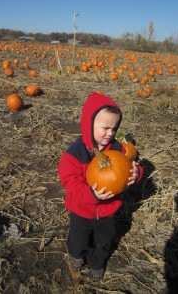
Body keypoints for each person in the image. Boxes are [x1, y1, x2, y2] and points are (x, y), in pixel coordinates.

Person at [58, 92, 144, 281]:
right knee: (78, 238)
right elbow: (69, 181)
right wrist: (91, 194)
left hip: (108, 210)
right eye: (105, 128)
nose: (110, 134)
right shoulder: (74, 153)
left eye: (114, 129)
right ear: (89, 124)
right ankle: (77, 256)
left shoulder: (117, 149)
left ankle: (97, 263)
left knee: (104, 240)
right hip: (81, 209)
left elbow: (130, 167)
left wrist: (137, 175)